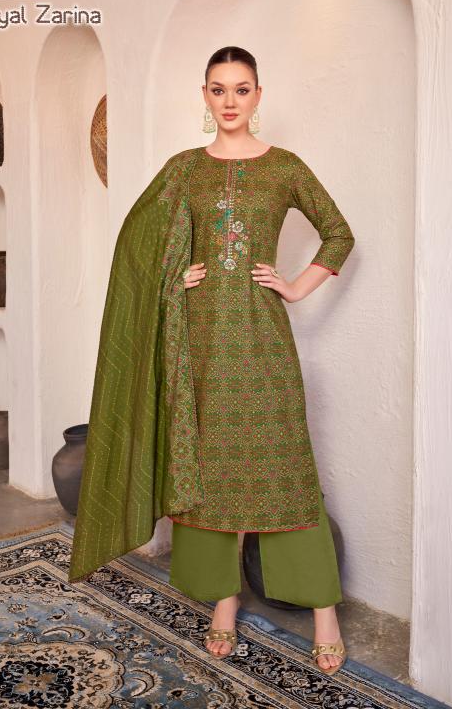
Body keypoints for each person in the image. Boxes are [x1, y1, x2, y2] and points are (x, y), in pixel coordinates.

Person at [68, 45, 355, 677]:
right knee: (207, 471)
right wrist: (173, 278)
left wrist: (295, 287)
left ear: (258, 95)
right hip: (198, 343)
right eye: (219, 89)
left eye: (241, 89)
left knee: (285, 470)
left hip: (263, 341)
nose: (230, 101)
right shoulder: (184, 170)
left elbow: (339, 233)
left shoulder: (284, 167)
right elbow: (137, 244)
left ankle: (324, 612)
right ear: (205, 96)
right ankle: (224, 601)